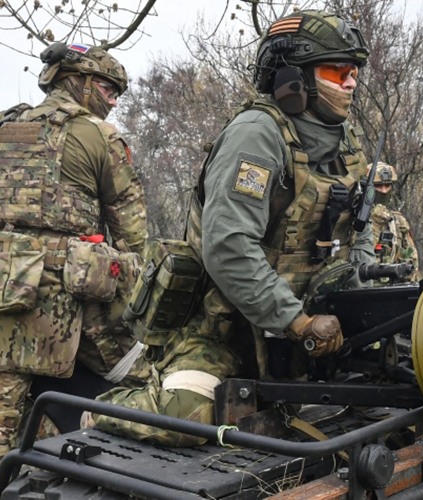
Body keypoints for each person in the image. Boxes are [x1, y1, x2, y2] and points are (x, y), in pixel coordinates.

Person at [94, 10, 375, 446]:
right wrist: (298, 323)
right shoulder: (257, 136)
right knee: (186, 418)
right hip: (221, 331)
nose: (351, 82)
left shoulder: (345, 143)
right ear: (294, 79)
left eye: (353, 71)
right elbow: (229, 247)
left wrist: (361, 302)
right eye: (338, 71)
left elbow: (360, 232)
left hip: (303, 338)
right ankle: (93, 416)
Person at [0, 43, 148, 468]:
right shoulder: (100, 135)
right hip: (68, 304)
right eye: (107, 89)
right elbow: (134, 236)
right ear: (74, 82)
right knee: (138, 390)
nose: (113, 101)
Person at [369, 162, 420, 279]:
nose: (383, 191)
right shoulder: (354, 221)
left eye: (387, 185)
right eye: (378, 186)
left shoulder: (397, 221)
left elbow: (411, 260)